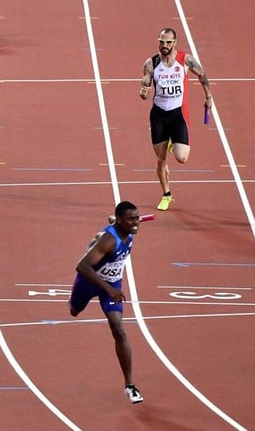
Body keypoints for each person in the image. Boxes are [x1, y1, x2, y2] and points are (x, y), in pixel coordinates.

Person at [69, 201, 145, 404]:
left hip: (112, 284)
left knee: (118, 329)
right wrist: (109, 289)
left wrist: (112, 288)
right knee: (74, 311)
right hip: (89, 281)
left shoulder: (128, 230)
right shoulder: (108, 241)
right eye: (131, 219)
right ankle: (78, 302)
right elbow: (82, 266)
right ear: (120, 220)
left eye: (137, 218)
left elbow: (116, 221)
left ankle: (130, 386)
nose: (136, 222)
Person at [139, 28, 212, 211]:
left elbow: (202, 74)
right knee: (160, 158)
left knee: (182, 158)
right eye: (162, 42)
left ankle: (174, 140)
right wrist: (143, 92)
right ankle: (166, 194)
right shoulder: (151, 63)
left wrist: (208, 96)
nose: (164, 46)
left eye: (168, 42)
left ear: (175, 43)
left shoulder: (185, 60)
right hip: (159, 115)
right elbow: (145, 86)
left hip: (178, 114)